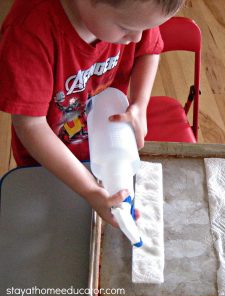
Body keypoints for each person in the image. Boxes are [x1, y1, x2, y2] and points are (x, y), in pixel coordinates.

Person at [0, 0, 185, 226]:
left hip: (106, 149)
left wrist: (139, 103)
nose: (137, 38)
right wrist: (89, 189)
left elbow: (149, 51)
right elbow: (31, 126)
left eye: (145, 29)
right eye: (126, 28)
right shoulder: (28, 34)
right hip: (49, 163)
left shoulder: (135, 11)